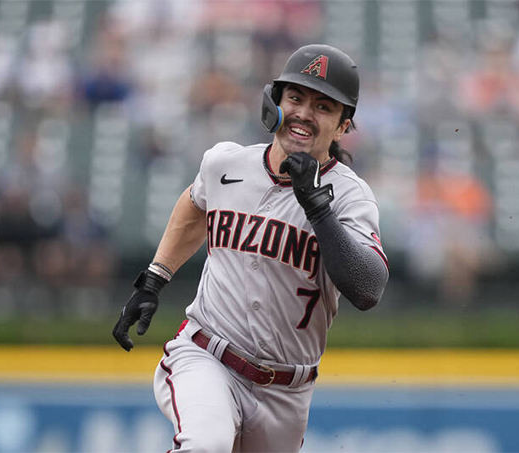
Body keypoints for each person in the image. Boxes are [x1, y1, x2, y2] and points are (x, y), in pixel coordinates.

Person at [112, 44, 389, 452]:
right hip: (208, 355)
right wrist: (155, 277)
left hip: (287, 391)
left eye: (324, 107)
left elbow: (367, 289)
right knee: (204, 445)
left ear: (343, 126)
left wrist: (317, 207)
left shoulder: (350, 196)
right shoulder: (226, 163)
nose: (304, 114)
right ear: (273, 103)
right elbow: (194, 206)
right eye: (295, 97)